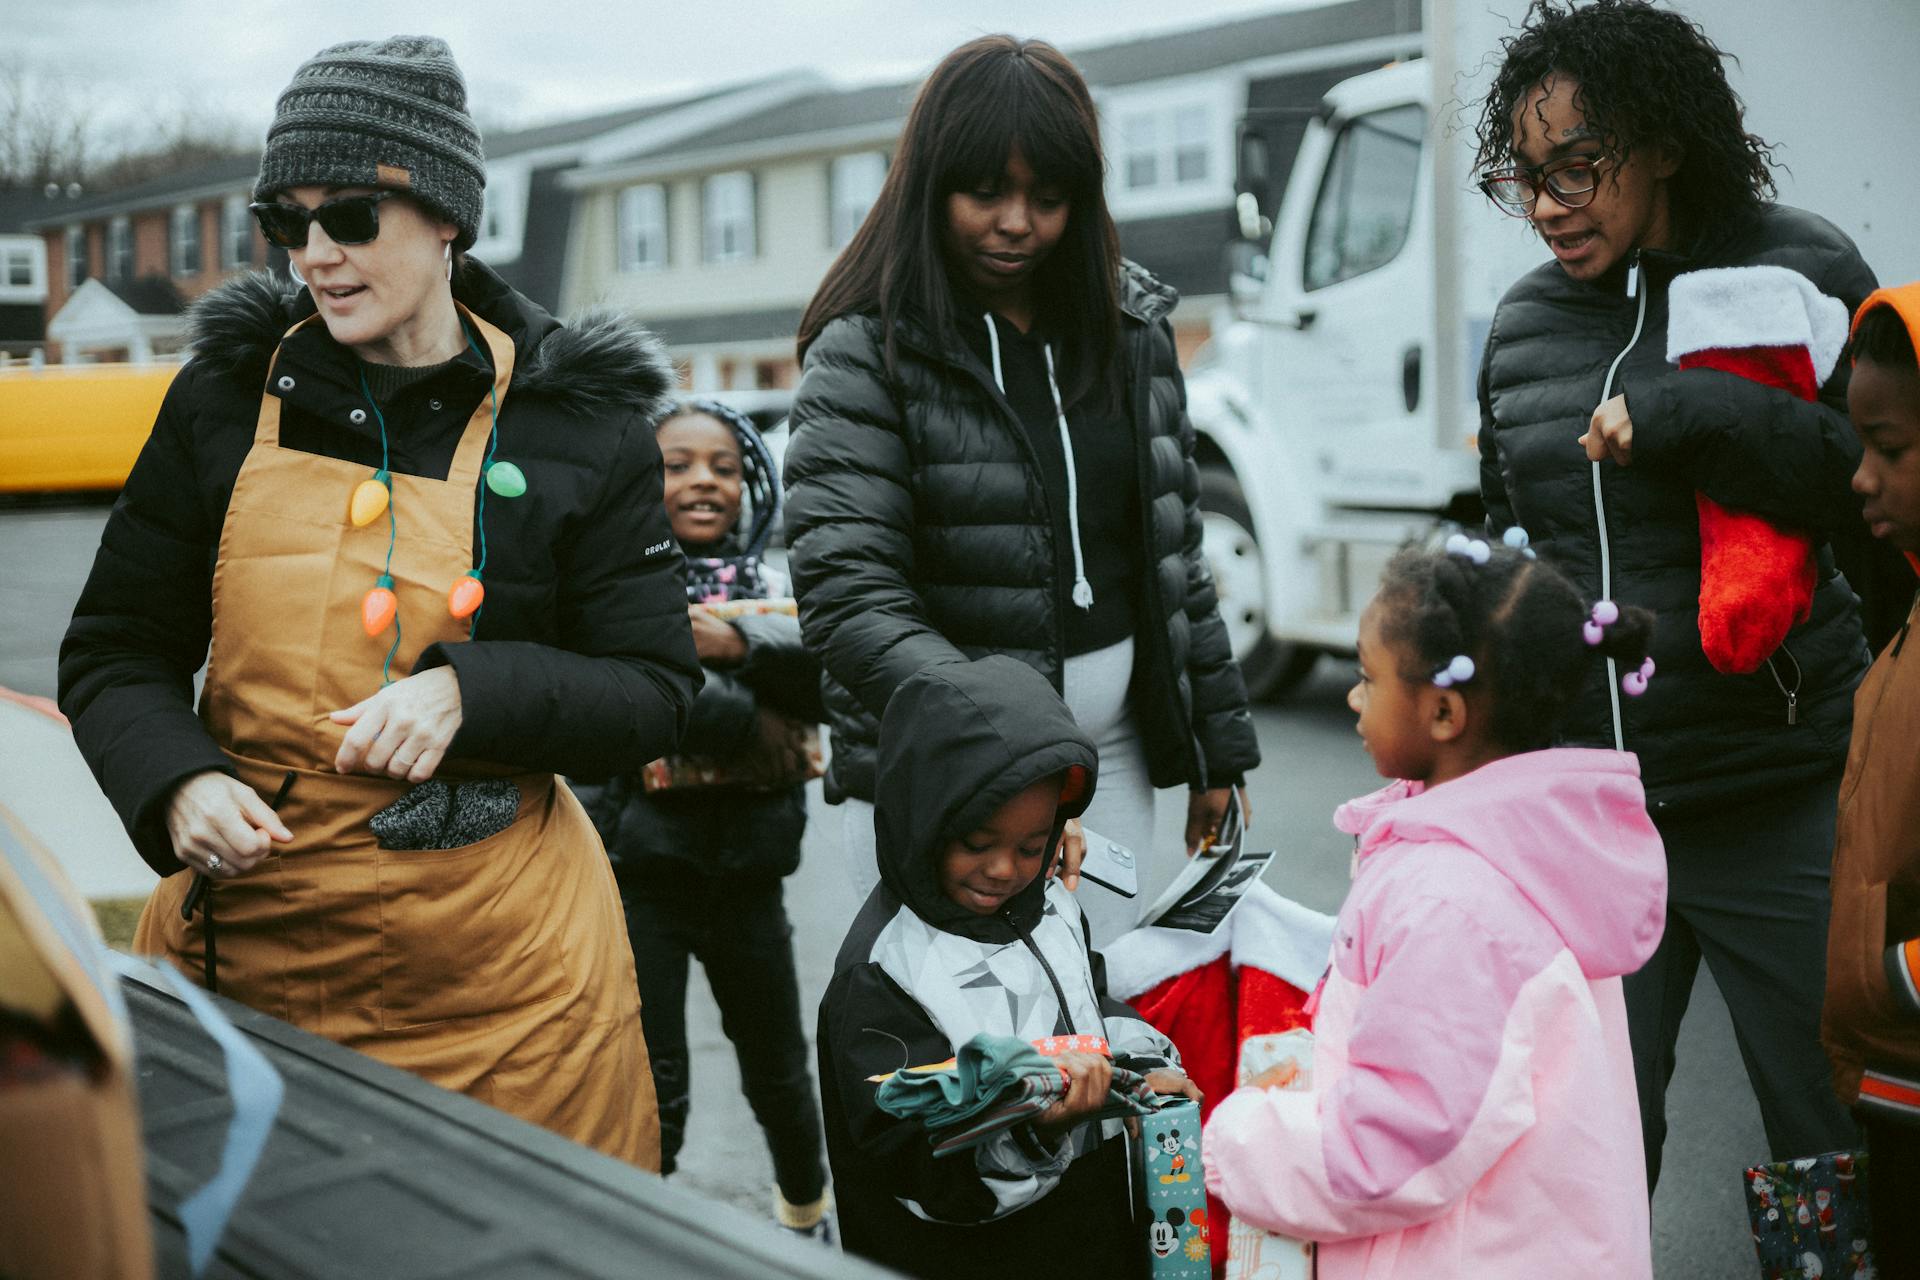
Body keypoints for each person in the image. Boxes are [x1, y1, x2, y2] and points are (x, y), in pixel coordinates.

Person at [56, 36, 700, 1169]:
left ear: (447, 215)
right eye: (287, 222)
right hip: (249, 967)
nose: (316, 254)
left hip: (510, 999)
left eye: (352, 215)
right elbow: (115, 650)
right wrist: (176, 779)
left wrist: (473, 689)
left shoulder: (578, 420)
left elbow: (652, 691)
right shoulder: (221, 396)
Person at [1469, 0, 1874, 1188]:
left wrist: (1699, 417)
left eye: (1578, 167)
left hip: (1780, 787)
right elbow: (1524, 540)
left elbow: (1877, 484)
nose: (1548, 204)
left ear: (1664, 141)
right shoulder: (1524, 325)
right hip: (1597, 815)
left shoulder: (1801, 265)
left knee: (1828, 1139)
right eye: (1525, 177)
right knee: (1584, 1154)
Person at [785, 35, 1259, 944]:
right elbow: (850, 595)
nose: (1017, 222)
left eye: (1048, 197)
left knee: (1088, 1044)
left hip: (1108, 764)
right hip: (948, 785)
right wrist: (1007, 763)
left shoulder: (1132, 333)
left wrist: (1215, 756)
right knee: (968, 1068)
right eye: (986, 192)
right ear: (930, 185)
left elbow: (1176, 560)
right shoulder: (866, 351)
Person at [1204, 539, 1664, 1277]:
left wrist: (1233, 1139)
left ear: (1444, 711)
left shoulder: (1454, 904)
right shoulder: (1520, 851)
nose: (1354, 697)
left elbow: (1393, 1150)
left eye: (1367, 677)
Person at [818, 654, 1199, 1279]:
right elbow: (911, 1162)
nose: (1004, 869)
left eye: (1031, 845)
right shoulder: (883, 973)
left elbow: (1088, 1004)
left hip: (1085, 1229)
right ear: (923, 819)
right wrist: (1039, 1129)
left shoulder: (1047, 902)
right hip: (972, 1256)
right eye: (977, 843)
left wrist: (1143, 1068)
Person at [573, 398, 830, 1237]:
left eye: (722, 465)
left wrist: (736, 647)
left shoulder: (780, 591)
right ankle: (652, 1229)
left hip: (752, 874)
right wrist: (756, 716)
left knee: (781, 1072)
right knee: (656, 1075)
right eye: (676, 464)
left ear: (751, 478)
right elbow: (634, 714)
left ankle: (805, 1214)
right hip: (646, 872)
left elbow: (830, 683)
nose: (702, 481)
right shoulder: (616, 588)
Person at [1822, 284, 1920, 1273]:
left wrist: (1892, 976)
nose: (1862, 479)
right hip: (1897, 1079)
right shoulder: (1911, 613)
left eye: (1889, 451)